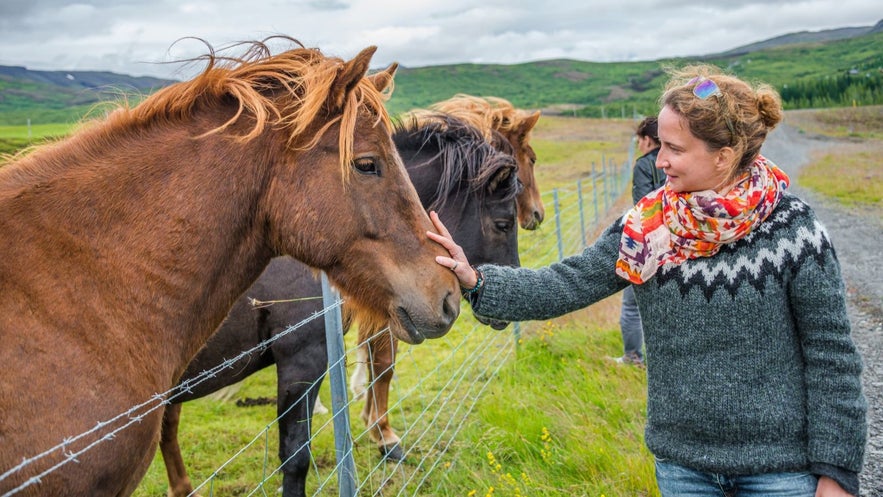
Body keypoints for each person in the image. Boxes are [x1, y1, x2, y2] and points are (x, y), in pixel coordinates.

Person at [427, 64, 867, 496]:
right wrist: (478, 280)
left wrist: (837, 472)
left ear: (724, 155)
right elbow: (568, 282)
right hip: (683, 471)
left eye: (674, 148)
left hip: (781, 474)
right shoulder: (649, 227)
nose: (659, 160)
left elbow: (832, 357)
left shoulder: (795, 231)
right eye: (660, 145)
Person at [615, 115, 664, 366]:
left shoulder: (644, 165)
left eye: (640, 140)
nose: (639, 145)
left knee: (632, 307)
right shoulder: (679, 160)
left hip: (649, 247)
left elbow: (642, 208)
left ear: (647, 140)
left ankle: (633, 357)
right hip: (680, 245)